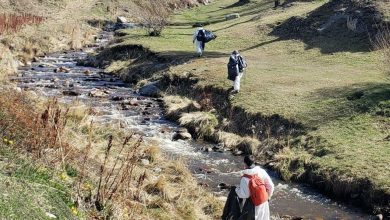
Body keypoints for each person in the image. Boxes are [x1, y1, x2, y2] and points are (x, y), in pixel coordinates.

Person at [235, 155, 274, 220]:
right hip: (264, 200)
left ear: (244, 164)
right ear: (254, 162)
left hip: (254, 204)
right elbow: (271, 186)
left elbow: (245, 195)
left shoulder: (245, 178)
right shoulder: (262, 171)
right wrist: (268, 197)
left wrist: (237, 189)